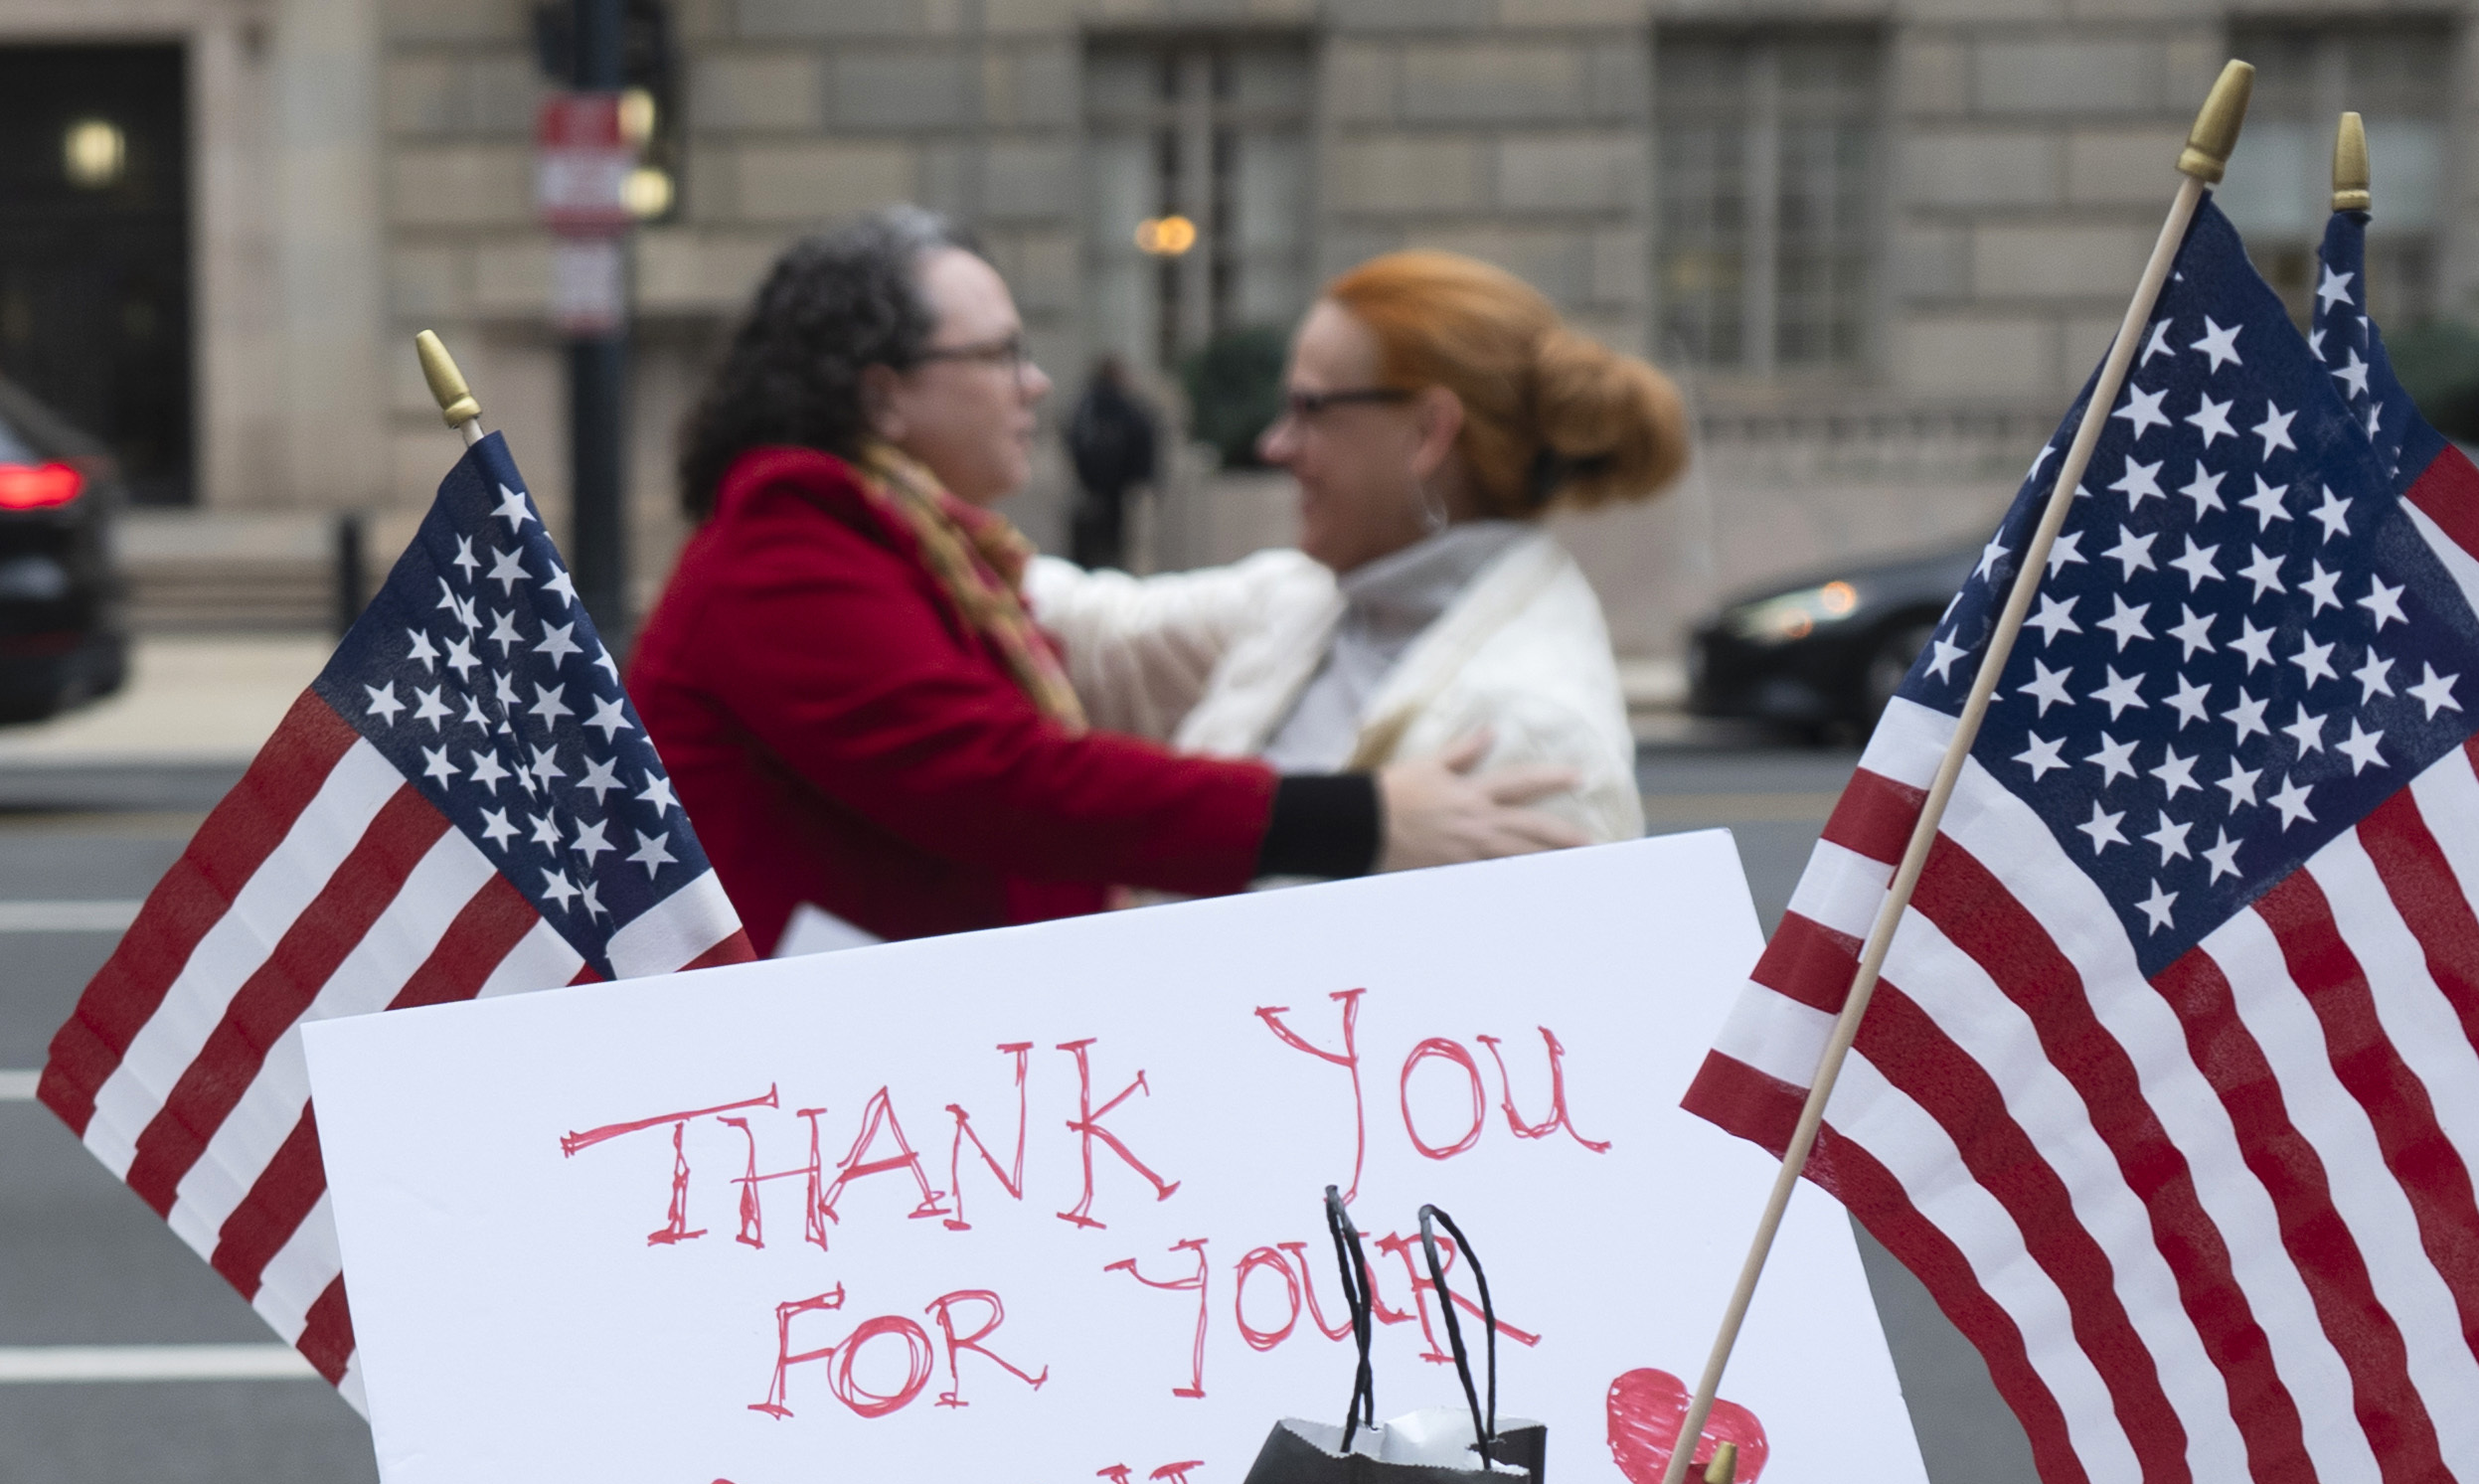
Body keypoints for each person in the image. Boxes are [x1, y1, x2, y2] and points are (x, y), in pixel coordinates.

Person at [625, 209, 1582, 950]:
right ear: (882, 397)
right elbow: (1005, 780)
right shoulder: (785, 549)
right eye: (1000, 354)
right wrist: (1356, 817)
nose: (1035, 383)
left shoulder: (915, 547)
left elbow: (1103, 646)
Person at [1027, 249, 1688, 848]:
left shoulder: (1538, 728)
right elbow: (1091, 629)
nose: (1273, 445)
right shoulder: (1319, 596)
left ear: (1428, 433)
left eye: (1308, 409)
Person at [1063, 354, 1158, 571]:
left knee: (1096, 552)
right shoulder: (1126, 407)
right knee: (1120, 551)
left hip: (1096, 489)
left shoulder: (1086, 407)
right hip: (1118, 490)